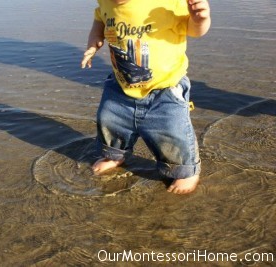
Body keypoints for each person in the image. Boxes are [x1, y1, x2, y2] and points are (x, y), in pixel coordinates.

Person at [81, 0, 211, 194]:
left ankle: (185, 171)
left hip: (166, 89)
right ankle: (114, 154)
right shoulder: (106, 1)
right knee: (110, 119)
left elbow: (193, 30)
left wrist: (200, 19)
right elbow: (100, 17)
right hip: (122, 84)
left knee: (172, 132)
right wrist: (94, 39)